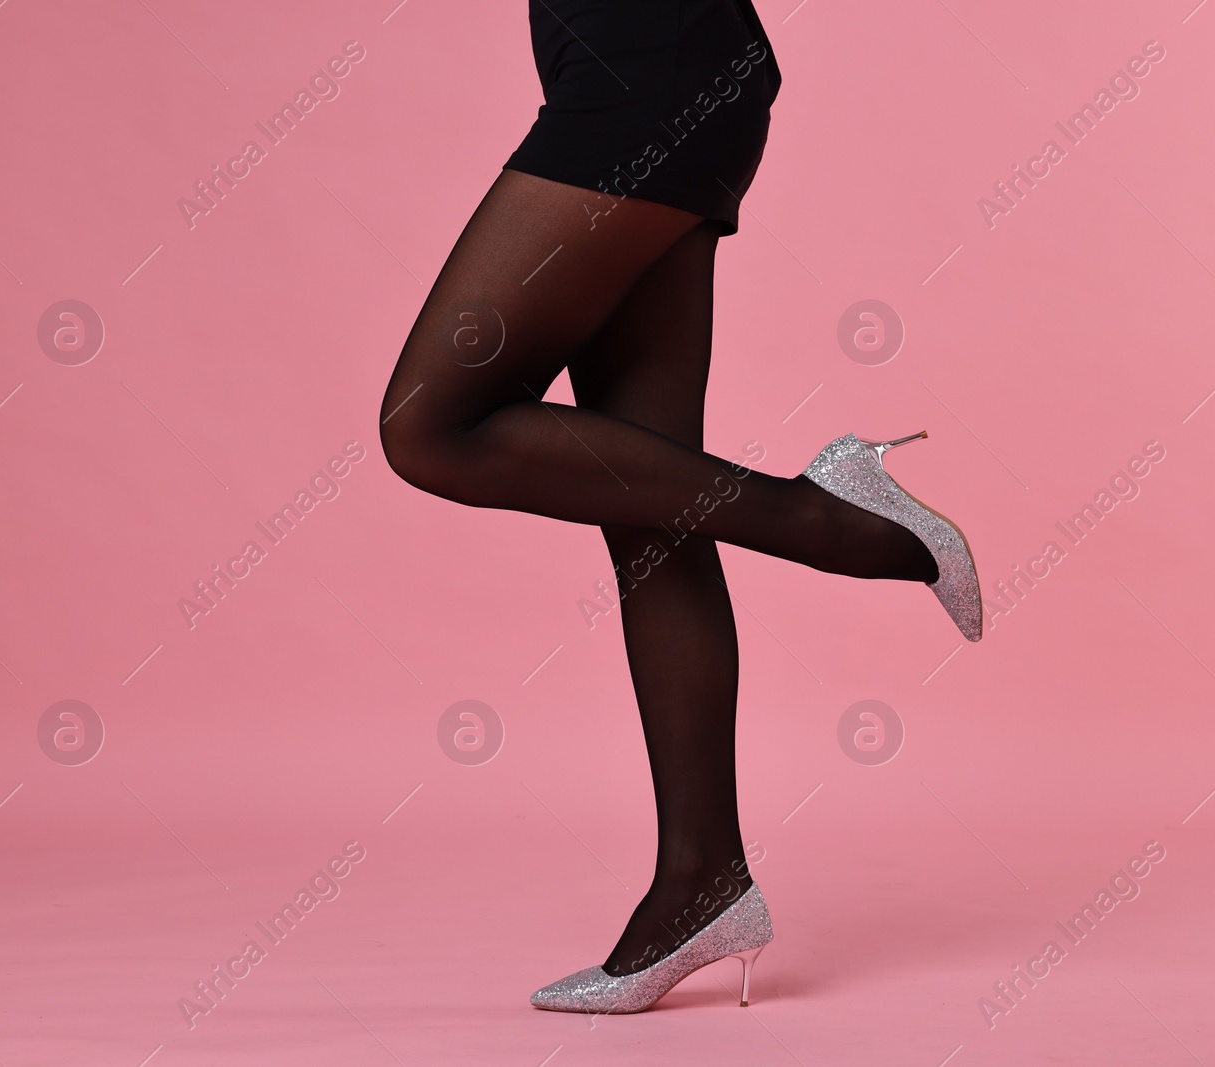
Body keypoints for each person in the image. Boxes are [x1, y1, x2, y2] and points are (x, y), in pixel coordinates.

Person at [378, 0, 981, 1014]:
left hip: (643, 69)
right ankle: (702, 878)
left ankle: (831, 516)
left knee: (432, 423)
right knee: (653, 514)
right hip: (652, 67)